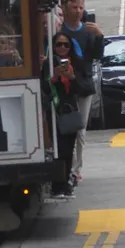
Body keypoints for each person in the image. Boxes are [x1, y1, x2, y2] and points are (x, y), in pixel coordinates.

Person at [60, 0, 103, 183]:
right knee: (67, 127)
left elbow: (97, 55)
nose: (78, 11)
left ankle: (76, 169)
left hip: (84, 85)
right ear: (66, 9)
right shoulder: (60, 31)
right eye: (74, 7)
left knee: (80, 129)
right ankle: (67, 166)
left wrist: (99, 36)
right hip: (64, 84)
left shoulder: (88, 31)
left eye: (80, 8)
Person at [43, 33, 84, 197]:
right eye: (59, 44)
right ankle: (57, 186)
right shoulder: (48, 63)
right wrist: (54, 77)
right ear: (53, 46)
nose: (62, 48)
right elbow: (44, 87)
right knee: (58, 148)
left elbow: (82, 88)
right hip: (55, 109)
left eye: (66, 45)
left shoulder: (75, 63)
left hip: (70, 109)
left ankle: (66, 182)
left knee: (68, 148)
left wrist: (71, 77)